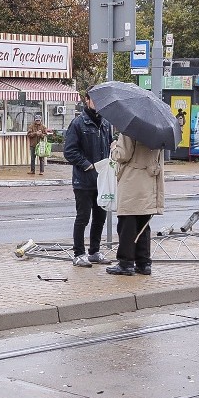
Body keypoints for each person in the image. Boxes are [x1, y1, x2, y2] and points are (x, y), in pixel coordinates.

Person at [63, 90, 114, 267]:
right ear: (87, 100)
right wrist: (87, 165)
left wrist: (113, 150)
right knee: (83, 217)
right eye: (95, 100)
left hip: (102, 180)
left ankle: (94, 251)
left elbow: (109, 146)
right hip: (83, 181)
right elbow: (69, 151)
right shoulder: (78, 123)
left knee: (100, 217)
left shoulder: (106, 123)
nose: (98, 103)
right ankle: (78, 253)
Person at [106, 134, 164, 276]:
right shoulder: (159, 131)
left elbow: (123, 155)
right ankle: (144, 264)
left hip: (132, 179)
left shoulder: (130, 130)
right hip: (149, 181)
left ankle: (126, 263)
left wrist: (114, 148)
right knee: (143, 224)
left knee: (127, 223)